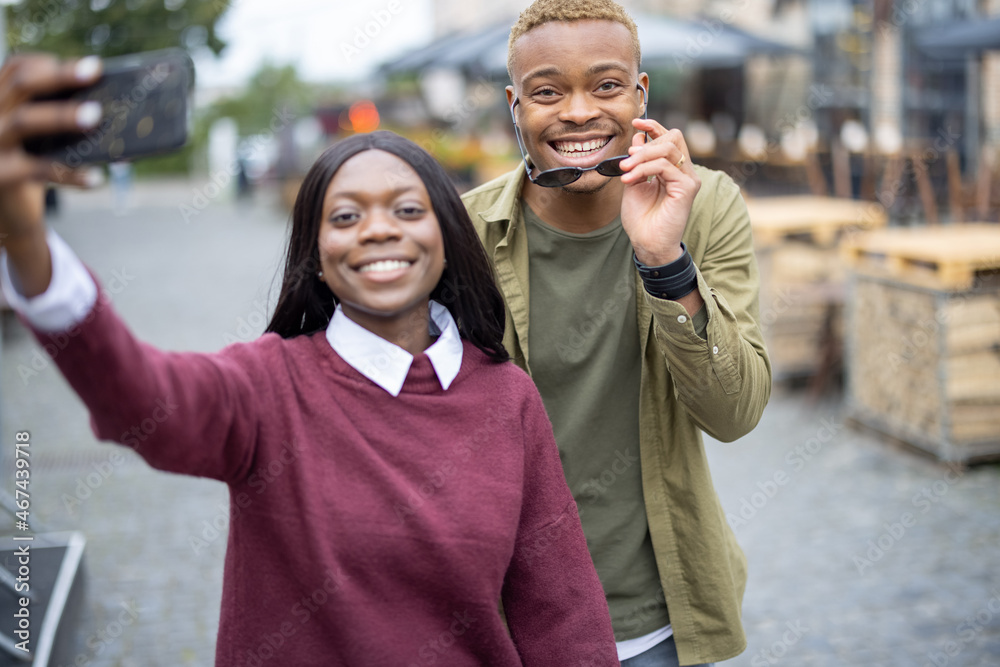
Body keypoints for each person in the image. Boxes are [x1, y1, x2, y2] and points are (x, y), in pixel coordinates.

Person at [0, 54, 620, 666]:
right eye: (346, 216)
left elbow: (564, 617)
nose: (378, 230)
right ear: (317, 255)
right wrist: (27, 241)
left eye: (407, 210)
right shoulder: (267, 386)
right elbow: (143, 398)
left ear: (446, 237)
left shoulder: (507, 397)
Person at [461, 1, 772, 665]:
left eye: (605, 85)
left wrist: (665, 259)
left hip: (653, 620)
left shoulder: (706, 204)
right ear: (515, 105)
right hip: (505, 619)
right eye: (548, 92)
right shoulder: (464, 232)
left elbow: (735, 411)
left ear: (641, 92)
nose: (578, 112)